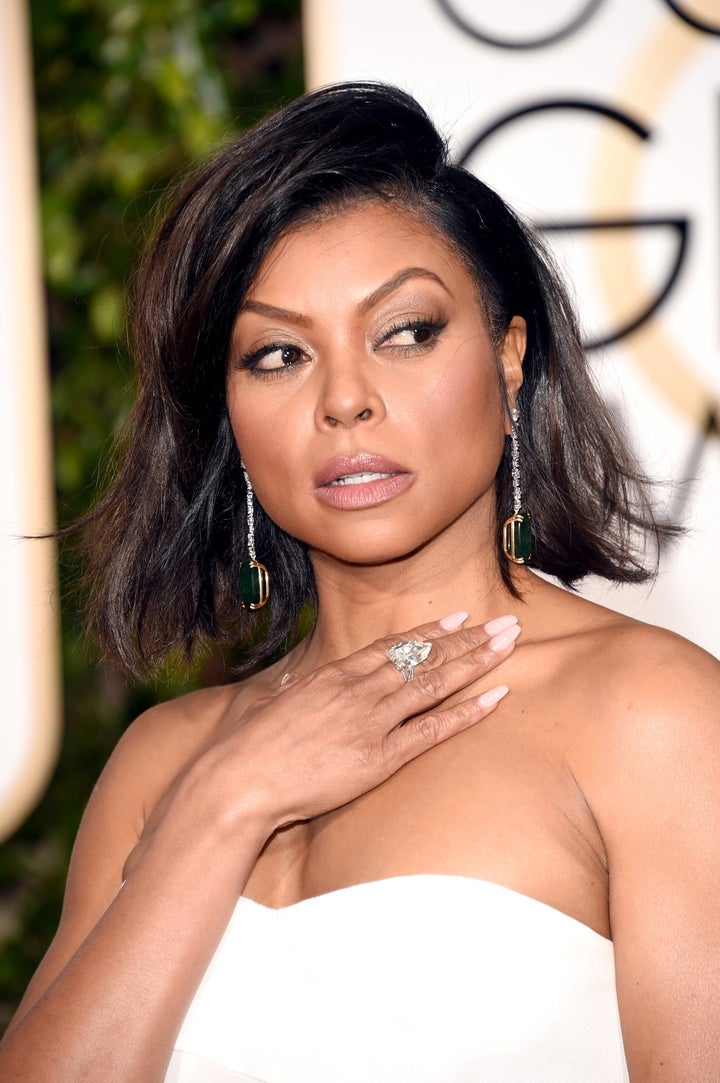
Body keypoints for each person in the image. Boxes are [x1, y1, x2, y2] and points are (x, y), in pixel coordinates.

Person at [1, 81, 718, 1083]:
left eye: (406, 332)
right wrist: (226, 802)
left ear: (510, 361)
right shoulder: (166, 765)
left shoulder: (654, 716)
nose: (345, 401)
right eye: (279, 353)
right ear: (231, 420)